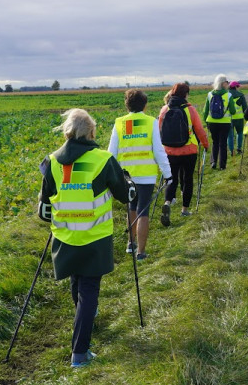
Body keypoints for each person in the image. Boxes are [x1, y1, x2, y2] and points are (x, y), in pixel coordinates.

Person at [38, 108, 136, 367]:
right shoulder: (103, 160)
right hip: (95, 237)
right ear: (91, 132)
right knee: (89, 290)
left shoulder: (51, 161)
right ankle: (79, 353)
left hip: (65, 238)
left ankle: (84, 326)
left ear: (67, 132)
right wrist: (130, 184)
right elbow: (125, 196)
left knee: (78, 284)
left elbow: (44, 209)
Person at [108, 89, 172, 261]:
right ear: (144, 105)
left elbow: (111, 153)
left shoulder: (119, 123)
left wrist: (111, 177)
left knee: (132, 207)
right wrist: (168, 173)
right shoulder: (151, 122)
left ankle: (131, 243)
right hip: (146, 175)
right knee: (143, 210)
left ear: (126, 104)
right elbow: (159, 151)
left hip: (125, 176)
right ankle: (141, 253)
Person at [158, 81, 210, 224]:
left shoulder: (164, 109)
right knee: (187, 179)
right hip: (189, 150)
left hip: (169, 151)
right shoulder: (190, 110)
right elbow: (199, 130)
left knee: (171, 179)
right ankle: (184, 210)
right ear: (186, 94)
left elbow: (159, 131)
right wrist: (205, 145)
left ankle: (167, 203)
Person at [203, 74, 238, 170]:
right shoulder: (228, 95)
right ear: (223, 83)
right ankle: (222, 165)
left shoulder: (210, 94)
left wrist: (206, 121)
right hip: (225, 123)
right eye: (227, 82)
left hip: (212, 122)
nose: (228, 84)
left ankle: (213, 162)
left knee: (215, 142)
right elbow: (233, 111)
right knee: (223, 143)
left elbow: (205, 111)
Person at [226, 81, 248, 156]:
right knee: (239, 133)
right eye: (238, 86)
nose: (238, 88)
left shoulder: (226, 95)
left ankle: (231, 151)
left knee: (230, 135)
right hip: (239, 118)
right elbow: (245, 108)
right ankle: (239, 149)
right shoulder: (241, 95)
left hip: (229, 118)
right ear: (235, 87)